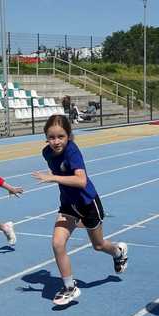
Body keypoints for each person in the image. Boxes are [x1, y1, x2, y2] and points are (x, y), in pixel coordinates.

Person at [31, 114, 128, 305]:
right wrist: (54, 175)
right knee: (58, 243)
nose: (56, 141)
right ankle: (69, 287)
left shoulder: (72, 151)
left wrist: (53, 177)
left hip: (88, 203)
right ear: (46, 137)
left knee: (98, 245)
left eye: (61, 136)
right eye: (51, 137)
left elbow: (81, 180)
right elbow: (60, 170)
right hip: (68, 204)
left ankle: (118, 252)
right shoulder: (47, 153)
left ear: (69, 136)